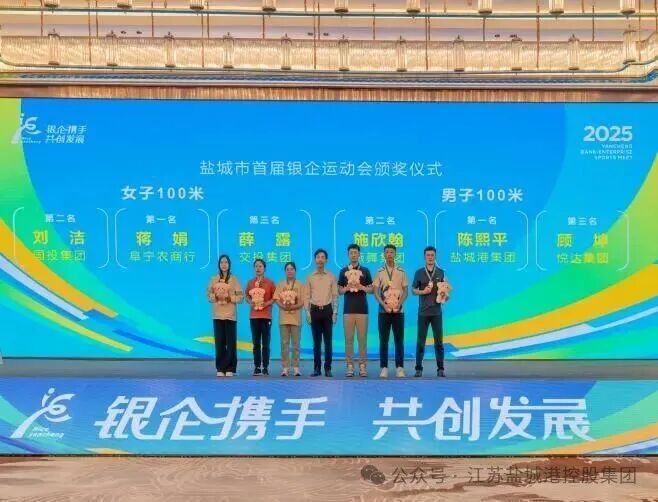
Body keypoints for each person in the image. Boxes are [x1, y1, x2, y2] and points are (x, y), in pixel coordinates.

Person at [412, 246, 448, 378]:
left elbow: (445, 290)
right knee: (420, 342)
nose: (430, 257)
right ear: (424, 257)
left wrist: (445, 295)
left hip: (436, 312)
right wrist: (423, 291)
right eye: (428, 255)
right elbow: (413, 290)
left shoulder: (441, 272)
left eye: (432, 255)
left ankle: (440, 369)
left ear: (435, 256)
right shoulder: (419, 272)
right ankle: (418, 369)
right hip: (423, 313)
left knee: (439, 342)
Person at [337, 243, 373, 377]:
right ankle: (350, 366)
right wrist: (347, 288)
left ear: (359, 254)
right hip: (348, 310)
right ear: (348, 255)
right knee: (349, 339)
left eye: (355, 253)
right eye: (351, 253)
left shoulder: (365, 270)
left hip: (362, 310)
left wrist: (361, 286)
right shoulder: (343, 271)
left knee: (362, 340)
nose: (353, 255)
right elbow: (339, 290)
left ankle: (362, 366)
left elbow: (371, 289)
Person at [373, 244, 408, 378]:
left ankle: (400, 367)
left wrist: (399, 304)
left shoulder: (401, 271)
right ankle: (384, 367)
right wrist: (383, 304)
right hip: (384, 311)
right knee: (384, 340)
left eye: (391, 252)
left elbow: (405, 291)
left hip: (398, 311)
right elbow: (376, 292)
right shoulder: (380, 271)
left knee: (399, 340)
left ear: (395, 254)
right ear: (384, 254)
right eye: (387, 252)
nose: (389, 254)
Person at [206, 255, 243, 377]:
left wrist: (230, 298)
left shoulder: (234, 279)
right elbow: (208, 295)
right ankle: (220, 368)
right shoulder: (214, 279)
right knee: (219, 342)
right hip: (217, 315)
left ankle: (230, 368)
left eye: (226, 262)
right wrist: (215, 297)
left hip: (230, 315)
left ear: (229, 264)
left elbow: (241, 297)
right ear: (219, 265)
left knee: (231, 343)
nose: (224, 264)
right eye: (221, 262)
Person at [304, 248, 338, 377]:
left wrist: (335, 313)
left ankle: (328, 368)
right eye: (318, 257)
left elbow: (335, 296)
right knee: (316, 342)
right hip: (314, 311)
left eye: (323, 257)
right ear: (315, 260)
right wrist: (307, 312)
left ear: (326, 260)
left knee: (328, 342)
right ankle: (317, 368)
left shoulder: (331, 276)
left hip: (328, 311)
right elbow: (307, 296)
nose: (320, 259)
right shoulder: (310, 277)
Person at [245, 259, 276, 376]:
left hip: (266, 316)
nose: (258, 268)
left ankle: (266, 367)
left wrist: (266, 304)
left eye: (260, 266)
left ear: (264, 268)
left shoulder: (270, 283)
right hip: (254, 316)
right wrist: (250, 302)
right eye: (256, 266)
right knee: (256, 343)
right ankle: (257, 367)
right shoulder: (250, 283)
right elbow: (246, 296)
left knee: (266, 344)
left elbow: (275, 297)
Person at [274, 261, 304, 377]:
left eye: (292, 269)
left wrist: (293, 307)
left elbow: (302, 301)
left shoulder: (300, 285)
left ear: (295, 271)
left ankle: (296, 368)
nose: (290, 271)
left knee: (296, 344)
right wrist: (283, 307)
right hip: (284, 319)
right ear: (285, 271)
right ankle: (285, 368)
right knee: (284, 344)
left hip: (296, 319)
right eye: (288, 269)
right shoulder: (281, 284)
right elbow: (276, 299)